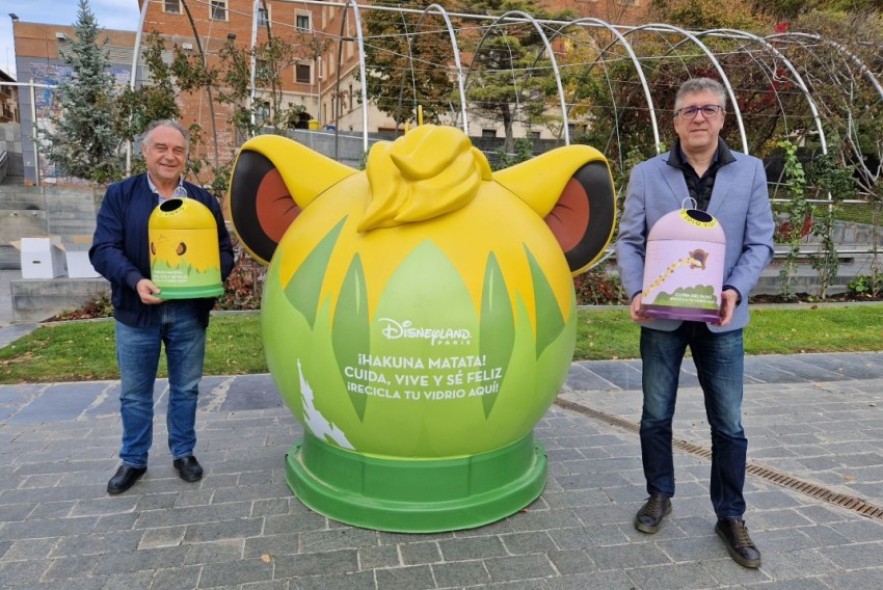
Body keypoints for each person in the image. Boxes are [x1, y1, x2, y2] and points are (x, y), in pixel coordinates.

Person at [615, 78, 775, 568]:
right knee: (655, 414)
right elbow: (629, 240)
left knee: (728, 423)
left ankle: (730, 515)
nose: (699, 117)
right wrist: (637, 290)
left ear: (723, 117)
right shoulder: (647, 174)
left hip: (721, 319)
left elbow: (760, 242)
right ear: (676, 120)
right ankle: (659, 494)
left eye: (708, 109)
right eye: (689, 110)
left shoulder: (749, 172)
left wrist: (733, 291)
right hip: (661, 317)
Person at [90, 119, 234, 495]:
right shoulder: (121, 195)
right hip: (137, 313)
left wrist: (208, 279)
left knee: (186, 387)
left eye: (178, 150)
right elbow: (104, 249)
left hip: (188, 313)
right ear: (145, 152)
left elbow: (223, 250)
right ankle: (134, 459)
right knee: (135, 392)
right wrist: (135, 280)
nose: (170, 156)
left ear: (185, 156)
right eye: (161, 148)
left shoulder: (202, 201)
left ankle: (183, 453)